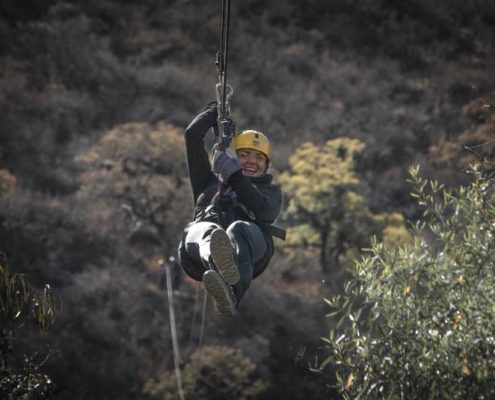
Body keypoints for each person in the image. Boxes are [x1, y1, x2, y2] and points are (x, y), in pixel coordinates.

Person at [177, 103, 284, 317]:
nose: (252, 161)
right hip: (198, 256)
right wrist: (214, 112)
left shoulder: (270, 193)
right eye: (244, 154)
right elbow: (192, 136)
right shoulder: (208, 183)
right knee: (204, 229)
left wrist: (232, 172)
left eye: (259, 157)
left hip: (249, 253)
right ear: (234, 156)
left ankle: (232, 292)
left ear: (267, 164)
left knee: (238, 228)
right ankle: (216, 262)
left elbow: (262, 209)